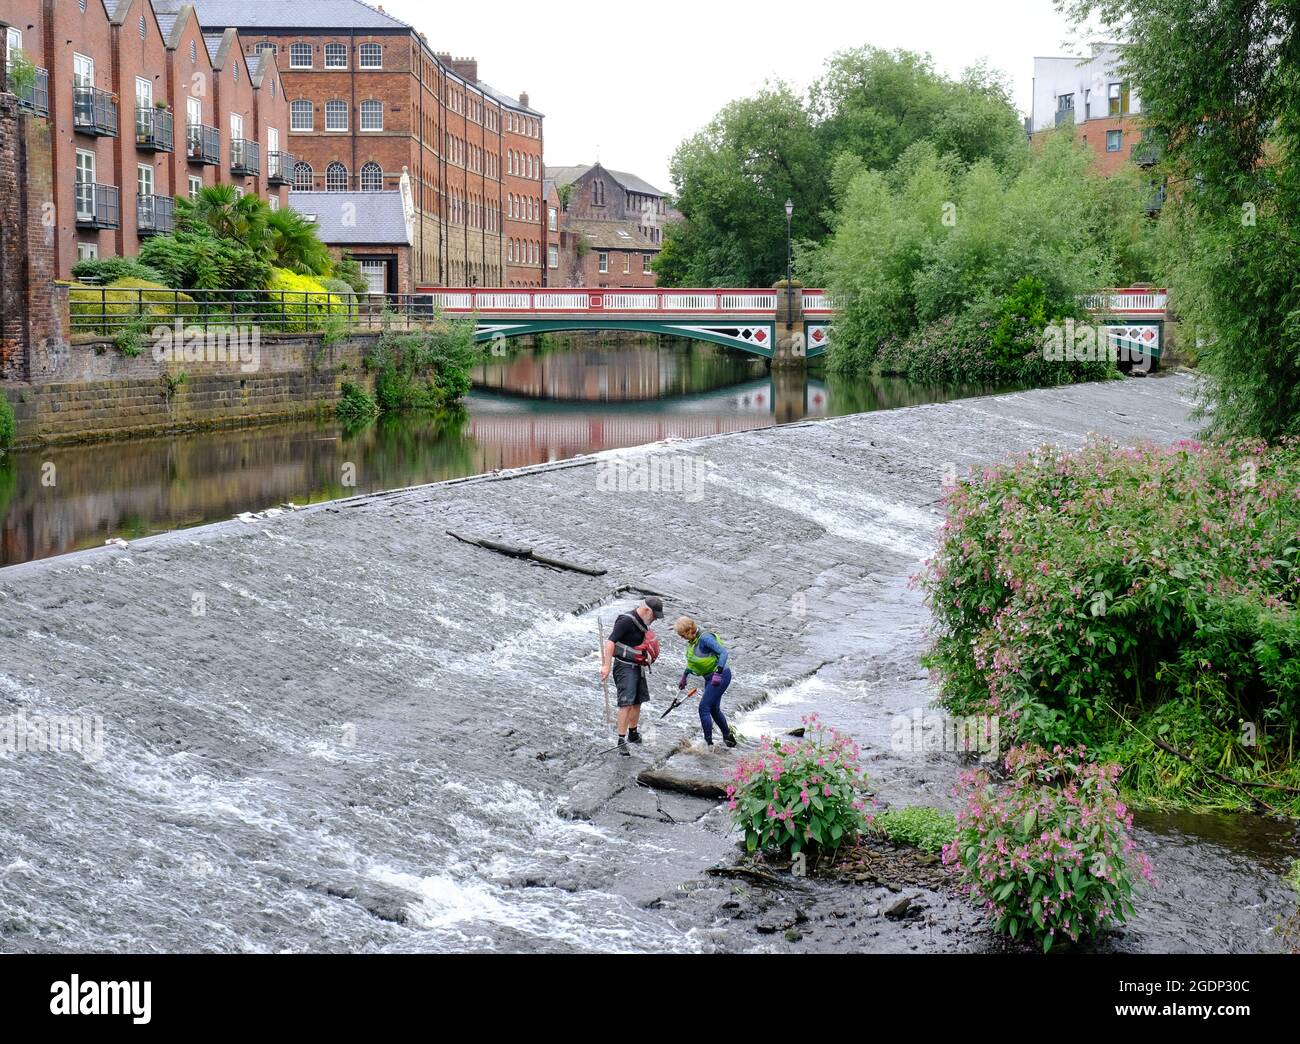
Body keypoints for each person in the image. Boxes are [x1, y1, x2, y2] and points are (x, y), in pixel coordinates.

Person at [600, 597, 663, 756]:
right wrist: (606, 666)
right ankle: (621, 740)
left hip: (637, 667)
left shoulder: (643, 622)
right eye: (655, 616)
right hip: (624, 667)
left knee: (637, 701)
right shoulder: (625, 621)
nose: (655, 619)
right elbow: (610, 642)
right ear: (647, 610)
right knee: (626, 703)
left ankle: (633, 733)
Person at [673, 616, 736, 748]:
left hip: (721, 676)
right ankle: (729, 739)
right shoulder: (693, 641)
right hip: (709, 677)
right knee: (713, 709)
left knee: (703, 708)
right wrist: (685, 676)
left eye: (682, 635)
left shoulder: (705, 638)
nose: (682, 638)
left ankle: (708, 744)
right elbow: (694, 661)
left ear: (690, 630)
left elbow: (723, 652)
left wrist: (718, 673)